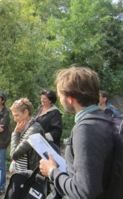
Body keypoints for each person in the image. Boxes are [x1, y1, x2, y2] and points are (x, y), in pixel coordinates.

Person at [39, 67, 115, 199]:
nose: (60, 100)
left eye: (60, 95)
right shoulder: (104, 119)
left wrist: (52, 171)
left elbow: (84, 191)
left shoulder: (86, 129)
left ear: (70, 98)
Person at [10, 98, 45, 172]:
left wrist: (16, 133)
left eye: (16, 115)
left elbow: (14, 154)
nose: (15, 119)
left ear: (26, 112)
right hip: (23, 174)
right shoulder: (24, 128)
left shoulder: (34, 129)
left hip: (31, 175)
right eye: (14, 116)